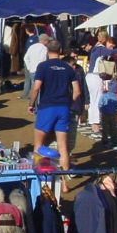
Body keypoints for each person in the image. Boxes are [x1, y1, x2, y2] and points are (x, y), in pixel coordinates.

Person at [28, 40, 80, 180]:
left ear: (47, 51)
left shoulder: (43, 66)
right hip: (63, 107)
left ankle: (36, 178)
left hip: (47, 107)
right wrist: (68, 103)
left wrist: (31, 103)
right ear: (61, 51)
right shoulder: (68, 67)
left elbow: (37, 87)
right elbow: (77, 91)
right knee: (63, 148)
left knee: (38, 145)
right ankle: (64, 182)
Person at [85, 31, 117, 140]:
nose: (111, 47)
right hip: (94, 77)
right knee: (96, 101)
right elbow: (110, 51)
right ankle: (95, 126)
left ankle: (94, 124)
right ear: (105, 39)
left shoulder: (96, 48)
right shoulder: (100, 48)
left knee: (93, 101)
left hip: (91, 77)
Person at [64, 53, 89, 159]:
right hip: (65, 107)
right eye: (72, 65)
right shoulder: (62, 75)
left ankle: (68, 152)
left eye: (75, 64)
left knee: (72, 131)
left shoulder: (79, 71)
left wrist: (87, 101)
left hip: (76, 105)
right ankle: (65, 152)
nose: (74, 66)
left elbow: (84, 86)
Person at [21, 33, 49, 100]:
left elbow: (25, 58)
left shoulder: (32, 47)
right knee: (39, 90)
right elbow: (43, 60)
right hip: (40, 72)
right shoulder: (44, 48)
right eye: (48, 40)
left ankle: (35, 105)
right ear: (44, 40)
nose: (48, 42)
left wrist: (29, 67)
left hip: (32, 71)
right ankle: (38, 106)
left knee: (34, 89)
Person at [99, 80, 117, 149]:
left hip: (105, 114)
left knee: (105, 128)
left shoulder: (104, 95)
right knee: (113, 127)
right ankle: (114, 139)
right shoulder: (115, 97)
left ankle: (105, 140)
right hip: (112, 114)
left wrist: (101, 111)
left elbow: (100, 104)